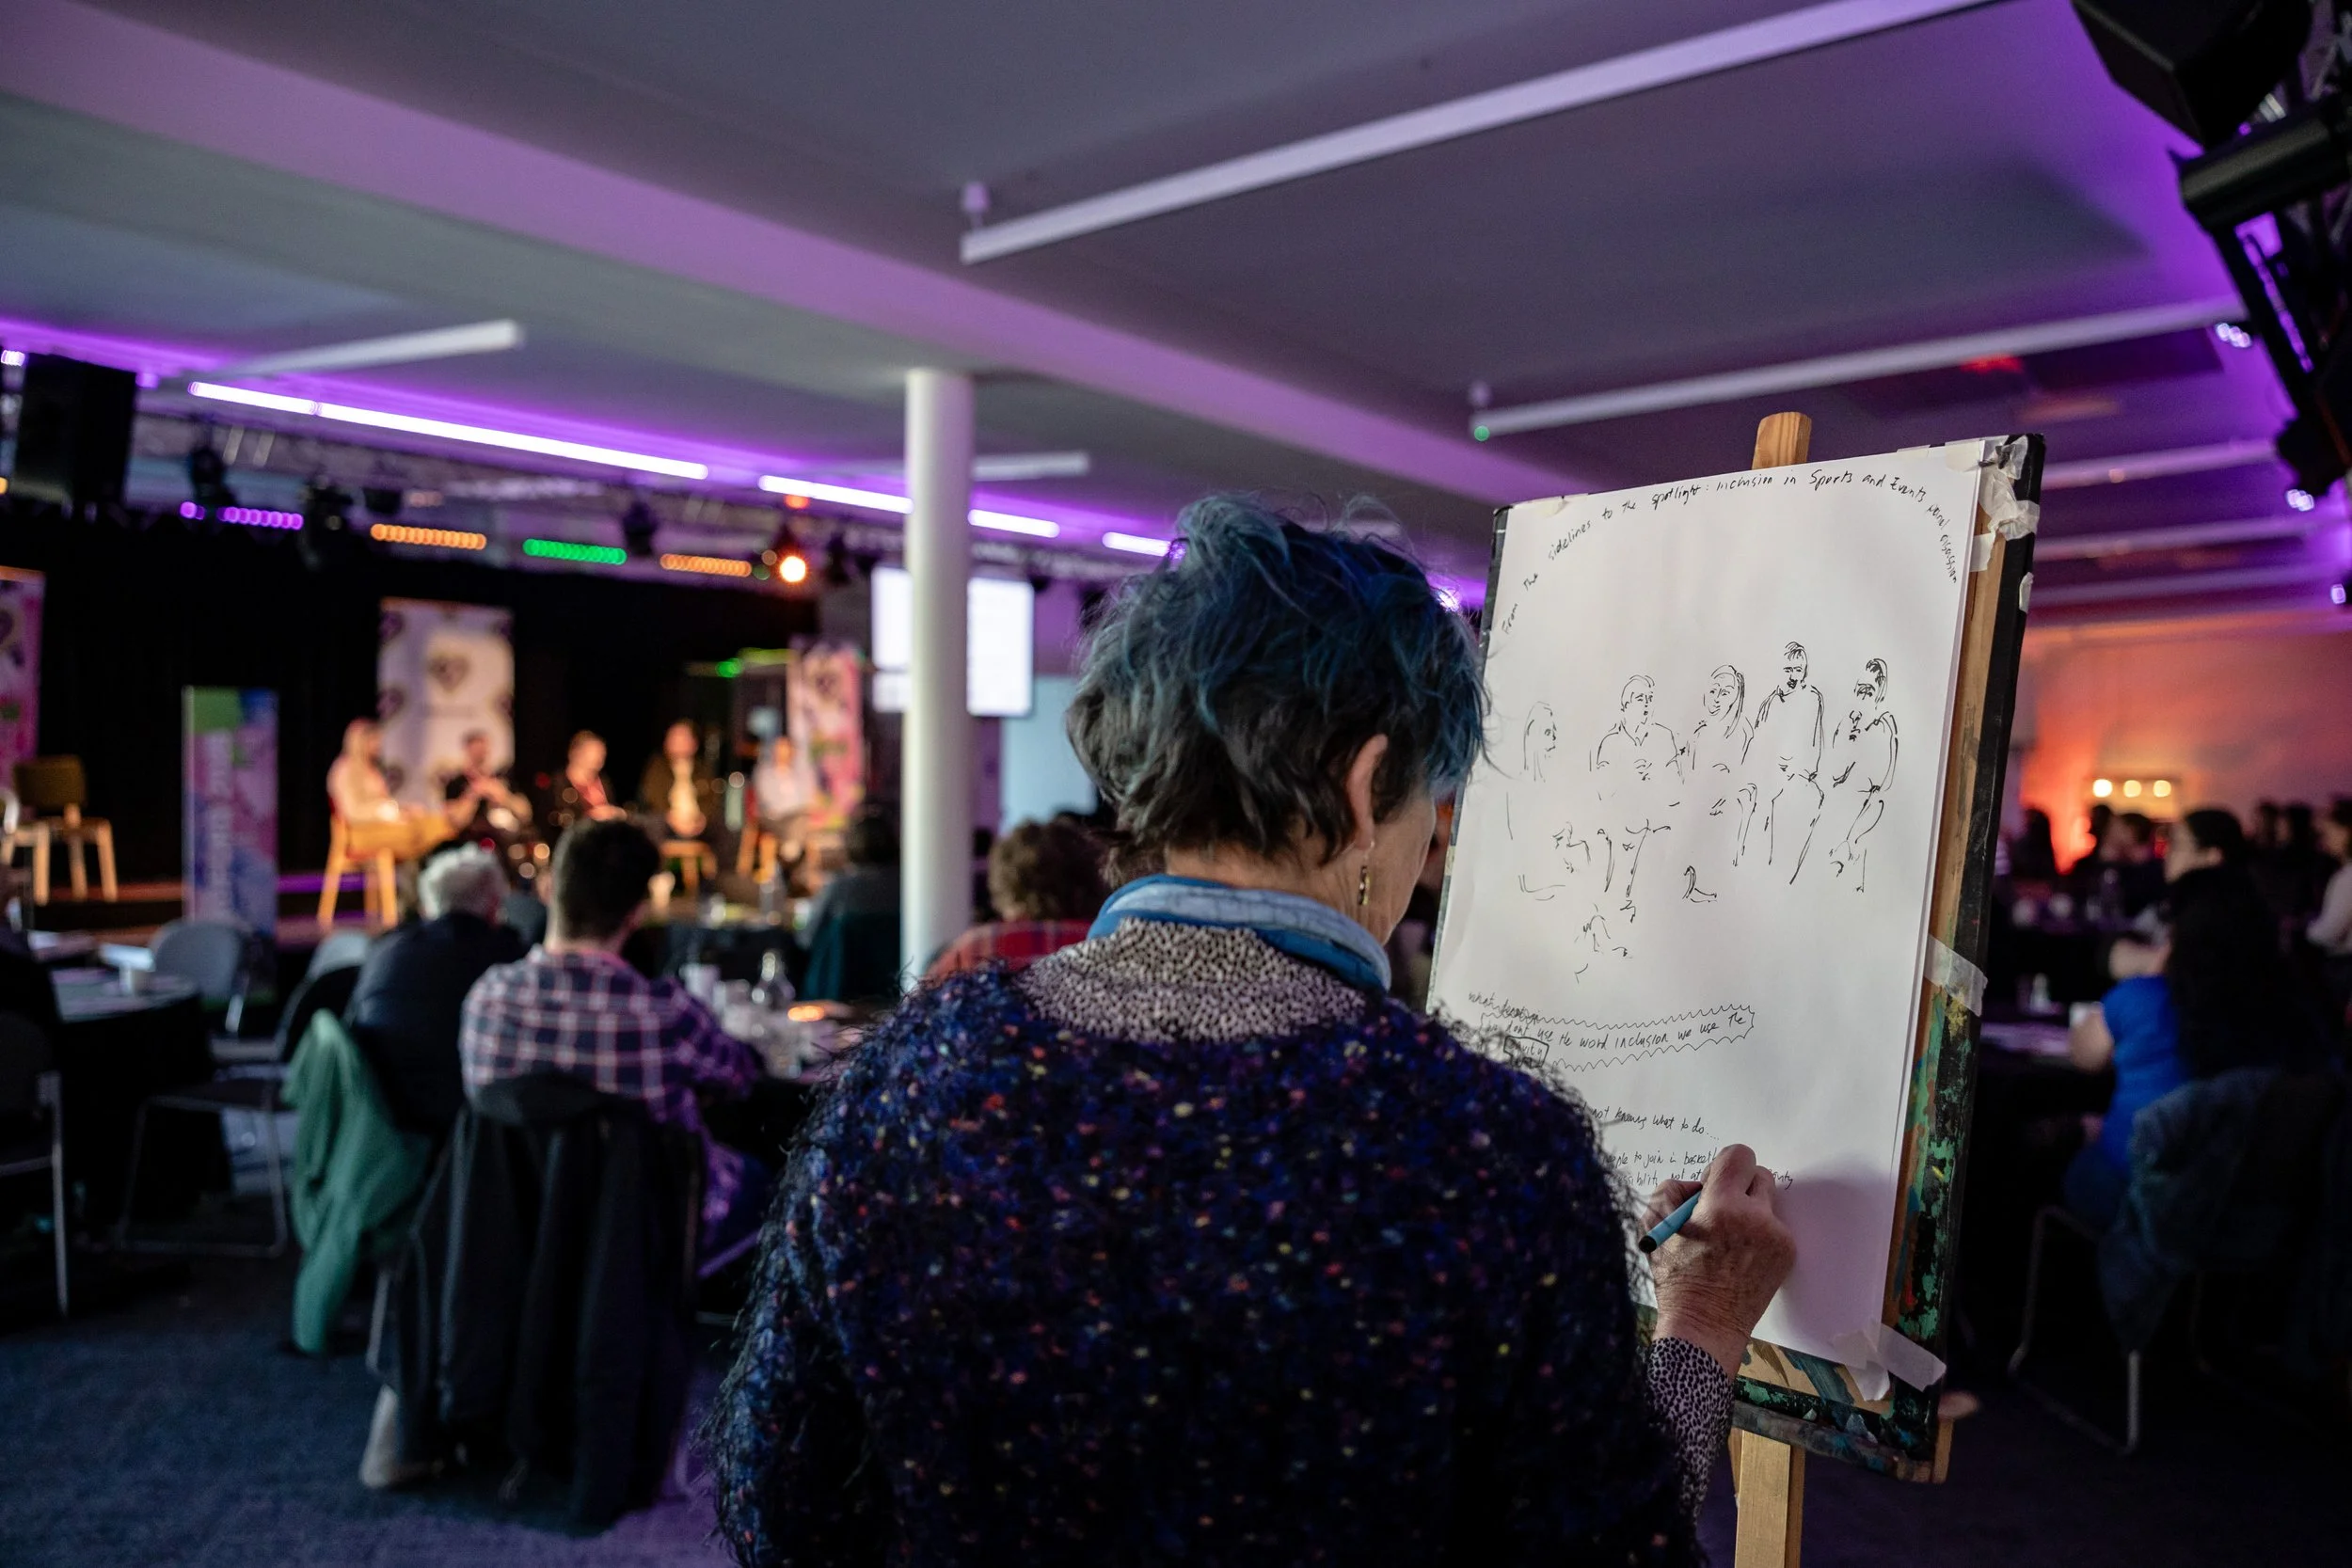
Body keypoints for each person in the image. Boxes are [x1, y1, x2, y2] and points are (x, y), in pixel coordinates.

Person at [707, 497, 1793, 1565]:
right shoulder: (1479, 1148)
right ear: (1368, 789)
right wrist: (1701, 1324)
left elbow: (778, 1508)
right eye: (1434, 799)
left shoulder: (910, 1078)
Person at [460, 819, 771, 1269]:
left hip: (518, 1243)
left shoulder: (485, 1003)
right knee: (768, 1178)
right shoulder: (663, 1014)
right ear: (638, 912)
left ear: (547, 888)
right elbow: (742, 1076)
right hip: (651, 1235)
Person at [343, 846, 523, 1139]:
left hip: (375, 1112)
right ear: (494, 904)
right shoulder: (506, 960)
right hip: (462, 1123)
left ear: (428, 904)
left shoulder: (384, 950)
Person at [924, 816, 1108, 980]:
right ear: (1092, 879)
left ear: (1001, 883)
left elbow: (920, 1014)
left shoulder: (969, 953)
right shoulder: (1108, 946)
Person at [326, 718, 448, 863]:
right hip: (360, 833)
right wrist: (391, 813)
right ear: (361, 742)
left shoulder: (372, 770)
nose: (379, 746)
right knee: (413, 832)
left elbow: (383, 802)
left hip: (382, 826)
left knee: (436, 824)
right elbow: (352, 811)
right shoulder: (345, 770)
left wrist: (404, 811)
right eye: (375, 741)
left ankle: (426, 875)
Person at [639, 720, 721, 843]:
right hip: (668, 821)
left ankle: (728, 863)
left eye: (683, 738)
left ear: (694, 743)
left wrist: (702, 818)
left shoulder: (703, 770)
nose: (678, 743)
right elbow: (652, 796)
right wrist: (672, 818)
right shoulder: (657, 767)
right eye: (674, 738)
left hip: (697, 822)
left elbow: (712, 799)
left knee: (725, 828)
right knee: (653, 823)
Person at [541, 730, 627, 833]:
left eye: (602, 754)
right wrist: (591, 817)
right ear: (576, 753)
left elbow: (611, 806)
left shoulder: (603, 782)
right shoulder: (559, 784)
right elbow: (559, 819)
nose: (598, 759)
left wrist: (615, 813)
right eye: (593, 753)